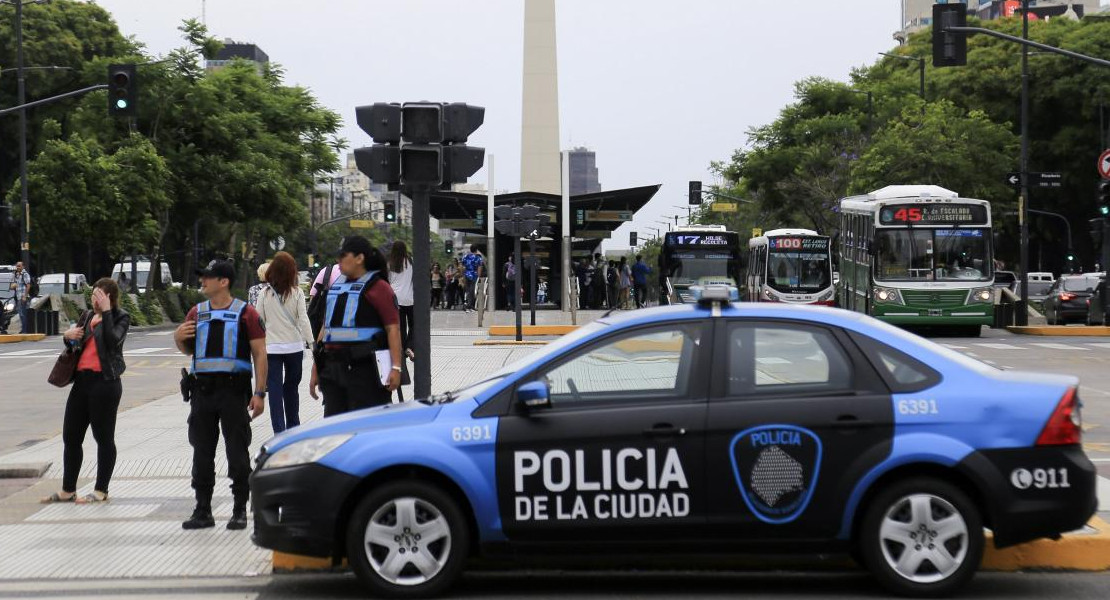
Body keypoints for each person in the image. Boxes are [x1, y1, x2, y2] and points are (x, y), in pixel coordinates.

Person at [174, 260, 266, 531]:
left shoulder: (246, 313)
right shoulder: (196, 312)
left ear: (223, 282)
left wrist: (259, 393)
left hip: (233, 391)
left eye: (208, 277)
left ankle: (239, 510)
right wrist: (178, 337)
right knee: (201, 452)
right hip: (202, 391)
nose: (202, 281)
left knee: (237, 451)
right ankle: (202, 510)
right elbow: (188, 350)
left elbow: (260, 354)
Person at [40, 279, 130, 505]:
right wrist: (67, 337)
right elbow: (75, 347)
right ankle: (68, 490)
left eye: (99, 296)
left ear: (110, 297)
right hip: (82, 382)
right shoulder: (87, 316)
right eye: (93, 295)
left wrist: (108, 312)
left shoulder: (120, 317)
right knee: (71, 436)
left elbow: (112, 341)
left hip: (105, 383)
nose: (94, 300)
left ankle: (101, 490)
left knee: (103, 437)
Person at [309, 236, 402, 416]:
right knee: (334, 430)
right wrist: (316, 368)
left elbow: (393, 329)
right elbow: (325, 330)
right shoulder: (336, 287)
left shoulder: (379, 288)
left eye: (344, 255)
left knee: (366, 429)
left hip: (366, 371)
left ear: (359, 258)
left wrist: (396, 368)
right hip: (333, 370)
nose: (339, 260)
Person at [255, 251, 314, 435]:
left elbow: (259, 321)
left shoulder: (264, 294)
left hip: (271, 348)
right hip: (294, 347)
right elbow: (303, 319)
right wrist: (312, 343)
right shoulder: (296, 293)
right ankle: (294, 428)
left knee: (274, 389)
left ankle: (279, 432)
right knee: (291, 388)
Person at [462, 244, 484, 311]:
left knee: (467, 290)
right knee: (473, 290)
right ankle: (470, 305)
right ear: (476, 249)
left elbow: (463, 267)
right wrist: (479, 277)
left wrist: (463, 275)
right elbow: (479, 268)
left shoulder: (465, 257)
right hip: (474, 275)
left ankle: (468, 303)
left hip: (467, 274)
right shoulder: (478, 258)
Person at [11, 261, 31, 333]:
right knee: (20, 314)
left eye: (19, 266)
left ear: (23, 267)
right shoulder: (16, 274)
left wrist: (25, 296)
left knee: (23, 314)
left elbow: (28, 286)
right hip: (18, 297)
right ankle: (23, 329)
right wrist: (13, 286)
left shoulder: (25, 274)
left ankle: (24, 330)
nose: (18, 267)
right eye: (17, 266)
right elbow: (14, 285)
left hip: (23, 297)